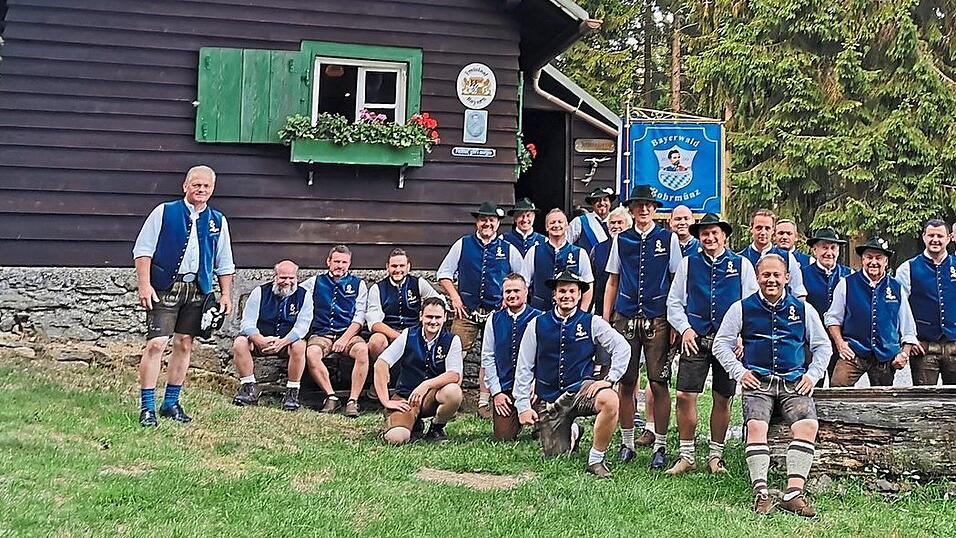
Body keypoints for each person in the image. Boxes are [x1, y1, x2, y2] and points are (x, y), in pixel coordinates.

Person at [712, 254, 831, 517]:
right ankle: (762, 493)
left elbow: (823, 346)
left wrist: (812, 375)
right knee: (756, 427)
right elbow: (721, 343)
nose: (772, 280)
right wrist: (739, 372)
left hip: (793, 382)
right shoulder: (741, 307)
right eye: (766, 275)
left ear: (787, 278)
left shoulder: (803, 309)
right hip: (758, 381)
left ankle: (793, 493)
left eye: (777, 275)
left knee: (808, 425)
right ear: (757, 278)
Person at [132, 165, 234, 427]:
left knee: (185, 344)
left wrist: (225, 294)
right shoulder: (165, 212)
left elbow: (224, 262)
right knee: (156, 344)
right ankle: (147, 407)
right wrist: (145, 285)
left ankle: (171, 403)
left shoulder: (217, 221)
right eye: (196, 185)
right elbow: (143, 250)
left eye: (206, 186)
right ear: (185, 186)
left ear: (212, 190)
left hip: (198, 289)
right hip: (166, 286)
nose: (201, 190)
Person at [665, 213, 758, 476]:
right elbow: (674, 303)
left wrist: (742, 335)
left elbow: (750, 304)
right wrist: (684, 329)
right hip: (696, 338)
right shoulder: (688, 264)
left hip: (727, 342)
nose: (710, 237)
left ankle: (716, 455)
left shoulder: (741, 265)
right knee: (684, 395)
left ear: (724, 236)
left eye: (714, 232)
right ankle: (686, 455)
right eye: (704, 233)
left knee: (723, 397)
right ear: (699, 237)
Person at [513, 271, 630, 478]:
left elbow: (622, 347)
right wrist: (522, 405)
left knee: (610, 400)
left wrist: (610, 379)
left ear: (578, 295)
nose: (566, 295)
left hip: (580, 391)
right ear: (554, 296)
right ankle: (574, 431)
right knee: (556, 457)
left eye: (571, 291)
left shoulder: (591, 322)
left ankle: (595, 459)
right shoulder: (537, 324)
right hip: (550, 397)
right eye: (562, 291)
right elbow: (524, 365)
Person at [603, 184, 682, 469]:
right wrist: (606, 319)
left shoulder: (667, 238)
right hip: (625, 317)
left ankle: (660, 445)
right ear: (632, 209)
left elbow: (677, 282)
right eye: (639, 205)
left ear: (654, 209)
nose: (644, 209)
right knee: (626, 382)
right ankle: (627, 442)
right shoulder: (621, 240)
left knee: (658, 382)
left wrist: (676, 321)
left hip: (658, 318)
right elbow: (612, 280)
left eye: (648, 205)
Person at [437, 201, 524, 419]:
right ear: (477, 222)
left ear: (497, 223)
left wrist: (508, 298)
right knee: (456, 353)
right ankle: (449, 397)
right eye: (483, 219)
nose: (487, 223)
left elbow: (522, 279)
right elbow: (443, 274)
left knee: (492, 355)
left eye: (491, 220)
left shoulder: (508, 249)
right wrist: (455, 298)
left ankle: (485, 402)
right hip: (466, 310)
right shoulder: (463, 244)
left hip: (496, 312)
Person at [824, 238, 917, 387]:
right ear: (863, 259)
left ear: (886, 261)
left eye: (878, 258)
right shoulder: (846, 284)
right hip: (853, 352)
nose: (874, 262)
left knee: (883, 403)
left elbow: (908, 327)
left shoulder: (896, 287)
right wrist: (841, 344)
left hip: (885, 356)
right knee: (837, 388)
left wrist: (904, 353)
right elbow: (833, 319)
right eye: (869, 257)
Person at [374, 297, 464, 445]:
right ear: (421, 316)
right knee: (396, 439)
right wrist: (386, 401)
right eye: (429, 317)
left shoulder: (452, 340)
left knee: (453, 391)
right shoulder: (408, 335)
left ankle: (436, 428)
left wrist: (426, 385)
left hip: (432, 397)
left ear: (445, 318)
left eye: (437, 317)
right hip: (406, 398)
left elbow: (454, 375)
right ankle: (408, 424)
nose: (433, 321)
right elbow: (381, 364)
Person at [232, 260, 312, 411]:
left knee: (300, 345)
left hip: (286, 342)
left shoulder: (304, 295)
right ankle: (249, 388)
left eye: (291, 278)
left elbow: (303, 326)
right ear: (275, 277)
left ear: (296, 278)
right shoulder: (259, 292)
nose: (287, 281)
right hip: (261, 339)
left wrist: (283, 342)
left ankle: (292, 392)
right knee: (240, 343)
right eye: (282, 277)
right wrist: (259, 339)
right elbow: (247, 323)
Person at [302, 245, 369, 417]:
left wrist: (345, 339)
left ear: (349, 263)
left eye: (344, 262)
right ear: (328, 262)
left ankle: (353, 401)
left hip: (348, 333)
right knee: (311, 354)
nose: (340, 265)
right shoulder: (314, 282)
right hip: (322, 333)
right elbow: (296, 293)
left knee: (362, 350)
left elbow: (359, 318)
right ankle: (331, 396)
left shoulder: (358, 284)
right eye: (336, 261)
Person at [480, 273, 542, 441]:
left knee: (545, 433)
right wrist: (496, 393)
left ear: (526, 291)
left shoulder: (539, 318)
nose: (512, 295)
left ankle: (541, 424)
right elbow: (488, 357)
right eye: (508, 291)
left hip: (533, 388)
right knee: (503, 437)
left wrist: (537, 383)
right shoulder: (494, 319)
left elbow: (546, 356)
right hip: (505, 388)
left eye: (516, 290)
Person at [896, 219, 956, 385]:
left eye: (940, 236)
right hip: (924, 347)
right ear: (924, 237)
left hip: (954, 344)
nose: (935, 239)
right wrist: (909, 339)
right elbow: (898, 308)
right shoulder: (907, 268)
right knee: (924, 401)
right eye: (931, 235)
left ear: (949, 238)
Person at [366, 248, 442, 362]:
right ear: (387, 267)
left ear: (408, 267)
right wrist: (399, 338)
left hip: (414, 331)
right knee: (375, 342)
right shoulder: (377, 288)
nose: (398, 270)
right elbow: (374, 323)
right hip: (388, 332)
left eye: (402, 266)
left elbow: (438, 301)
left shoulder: (418, 283)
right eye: (394, 266)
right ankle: (383, 374)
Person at [801, 228, 852, 386]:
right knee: (812, 386)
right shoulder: (803, 274)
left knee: (840, 387)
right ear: (815, 249)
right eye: (824, 247)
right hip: (812, 342)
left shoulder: (849, 275)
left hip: (841, 341)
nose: (829, 252)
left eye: (833, 248)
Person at [522, 208, 594, 311]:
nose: (556, 225)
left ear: (566, 226)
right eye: (552, 222)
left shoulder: (580, 253)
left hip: (570, 313)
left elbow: (588, 284)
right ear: (547, 227)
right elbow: (524, 284)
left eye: (560, 222)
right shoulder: (534, 251)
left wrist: (582, 312)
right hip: (540, 312)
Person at [738, 209, 808, 298]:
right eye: (759, 228)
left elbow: (798, 292)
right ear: (751, 229)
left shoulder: (787, 258)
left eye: (767, 228)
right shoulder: (740, 259)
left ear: (773, 231)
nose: (763, 232)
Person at [591, 207, 632, 318]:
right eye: (612, 223)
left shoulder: (635, 248)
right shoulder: (597, 249)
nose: (616, 226)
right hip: (601, 309)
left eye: (620, 222)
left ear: (628, 226)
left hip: (626, 312)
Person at [568, 186, 614, 253]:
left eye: (605, 200)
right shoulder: (580, 221)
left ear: (610, 203)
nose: (601, 203)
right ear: (592, 204)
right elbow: (566, 244)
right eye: (597, 201)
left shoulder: (617, 222)